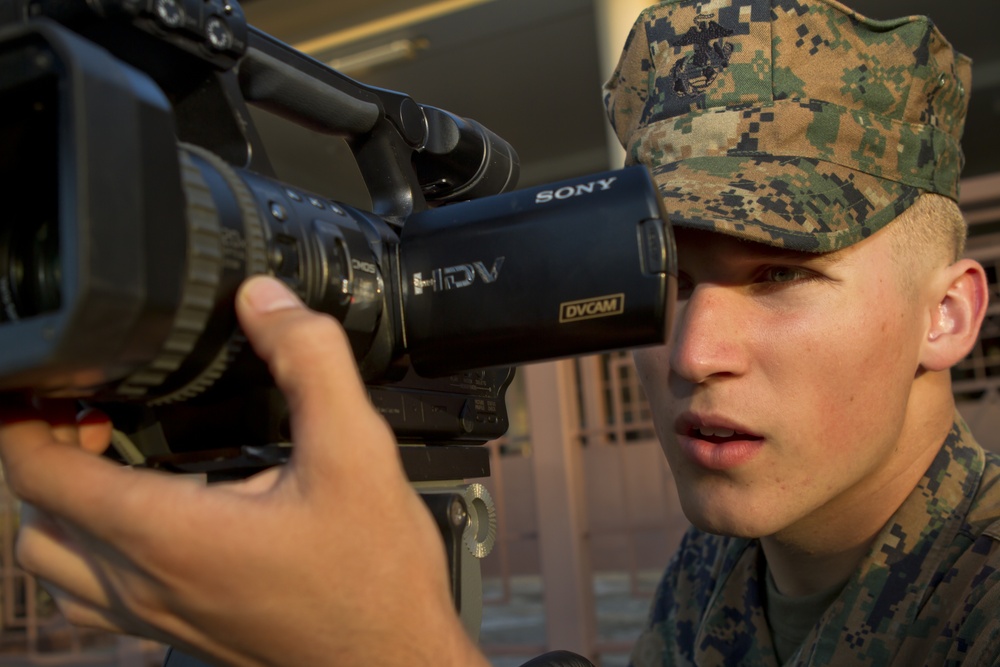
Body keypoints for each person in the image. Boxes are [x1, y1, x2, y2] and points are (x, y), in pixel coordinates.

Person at [0, 1, 994, 666]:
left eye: (779, 275)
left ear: (945, 313)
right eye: (669, 280)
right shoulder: (727, 569)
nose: (694, 354)